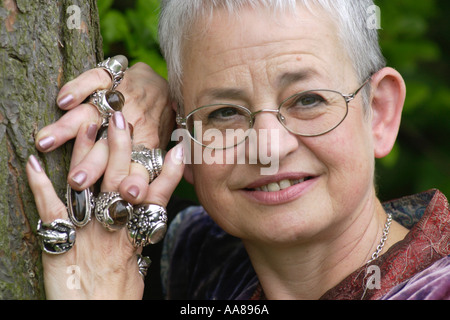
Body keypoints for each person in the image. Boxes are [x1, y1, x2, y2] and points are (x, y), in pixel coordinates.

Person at [26, 0, 449, 300]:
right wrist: (139, 110)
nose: (268, 147)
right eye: (225, 112)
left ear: (379, 113)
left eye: (307, 100)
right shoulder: (195, 256)